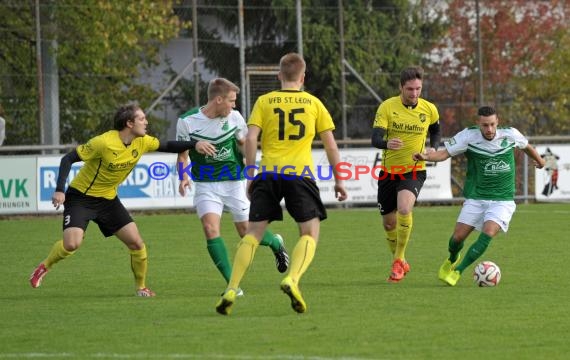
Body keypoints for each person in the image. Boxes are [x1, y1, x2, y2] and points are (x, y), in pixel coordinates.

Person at [29, 103, 217, 297]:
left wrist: (194, 144)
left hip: (108, 200)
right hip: (81, 198)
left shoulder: (142, 141)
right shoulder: (103, 142)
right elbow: (67, 159)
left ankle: (141, 287)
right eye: (142, 119)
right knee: (72, 244)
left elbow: (168, 145)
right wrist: (60, 190)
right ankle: (43, 267)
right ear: (129, 123)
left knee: (137, 243)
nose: (146, 122)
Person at [215, 52, 348, 315]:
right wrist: (339, 179)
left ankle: (231, 288)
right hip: (300, 175)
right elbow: (330, 145)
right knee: (309, 233)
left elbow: (251, 139)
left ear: (278, 76)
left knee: (252, 234)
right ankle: (292, 279)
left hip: (269, 173)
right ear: (303, 77)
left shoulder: (264, 101)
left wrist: (252, 173)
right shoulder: (313, 103)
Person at [176, 78, 289, 293]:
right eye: (231, 100)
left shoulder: (235, 118)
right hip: (205, 185)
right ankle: (232, 286)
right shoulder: (187, 121)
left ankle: (275, 242)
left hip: (233, 183)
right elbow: (182, 155)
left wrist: (251, 174)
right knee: (210, 229)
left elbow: (245, 146)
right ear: (218, 99)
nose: (234, 105)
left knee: (245, 231)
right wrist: (183, 176)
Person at [412, 105, 545, 286]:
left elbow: (526, 146)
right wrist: (426, 157)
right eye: (484, 125)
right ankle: (453, 258)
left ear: (497, 122)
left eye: (492, 124)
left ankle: (458, 272)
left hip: (502, 200)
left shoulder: (510, 134)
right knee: (457, 239)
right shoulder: (468, 136)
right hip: (477, 197)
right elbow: (443, 154)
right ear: (478, 123)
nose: (489, 129)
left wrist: (540, 160)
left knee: (488, 232)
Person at [371, 66, 441, 283]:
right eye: (410, 89)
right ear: (401, 87)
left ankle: (398, 260)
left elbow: (436, 130)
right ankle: (400, 260)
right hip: (388, 172)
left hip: (414, 170)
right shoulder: (387, 107)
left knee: (404, 208)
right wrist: (386, 143)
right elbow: (375, 138)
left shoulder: (429, 109)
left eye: (418, 89)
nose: (414, 93)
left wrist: (432, 148)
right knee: (389, 224)